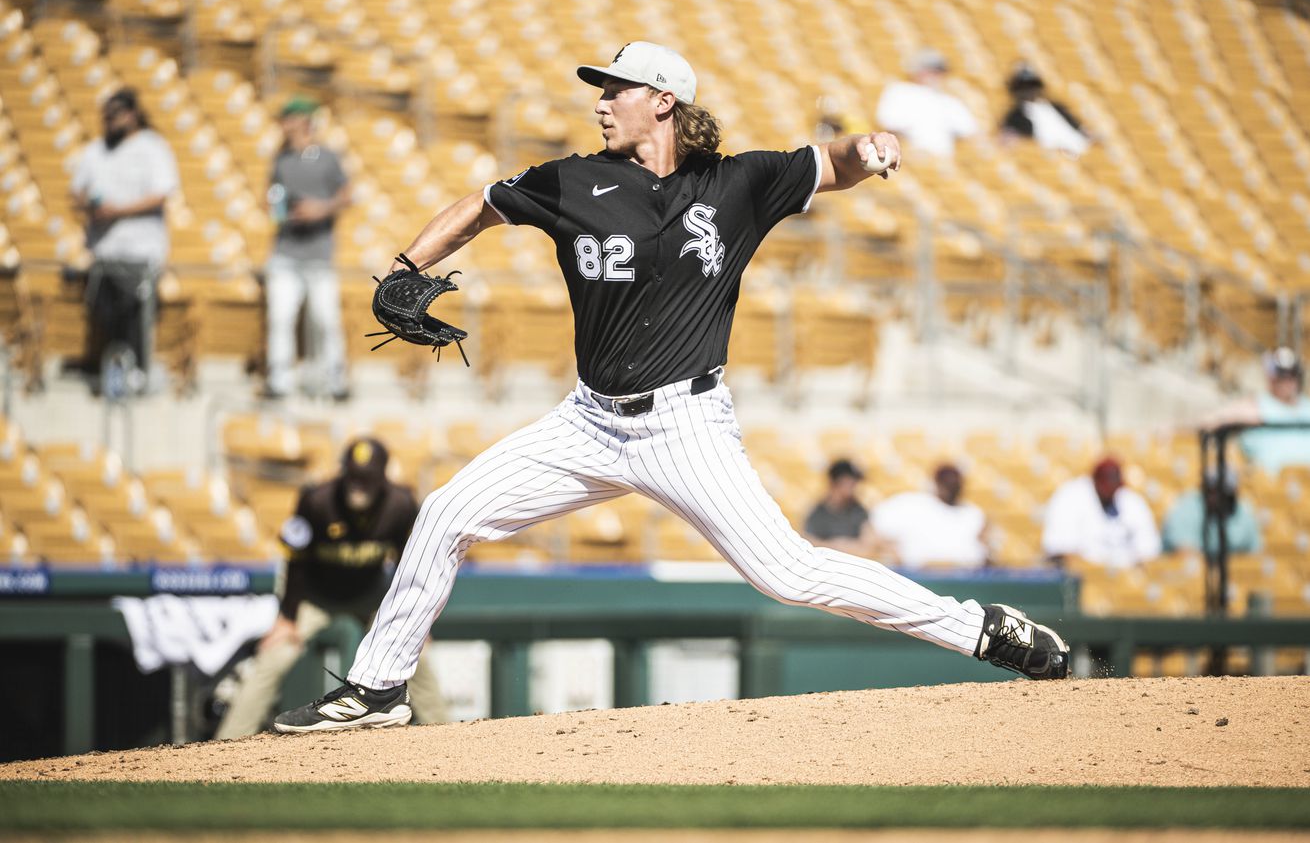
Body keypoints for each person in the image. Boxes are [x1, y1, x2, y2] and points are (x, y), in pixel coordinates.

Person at [273, 41, 1069, 733]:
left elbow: (836, 162)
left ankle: (981, 630)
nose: (601, 101)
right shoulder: (571, 180)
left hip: (683, 425)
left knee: (788, 573)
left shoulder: (738, 183)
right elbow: (478, 207)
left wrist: (873, 146)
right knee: (446, 511)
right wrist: (410, 265)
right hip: (585, 422)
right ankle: (378, 686)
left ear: (664, 101)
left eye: (614, 88)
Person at [215, 438, 446, 738]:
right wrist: (286, 618)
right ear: (343, 472)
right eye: (353, 476)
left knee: (417, 656)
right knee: (274, 656)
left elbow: (409, 562)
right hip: (315, 596)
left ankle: (443, 735)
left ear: (382, 478)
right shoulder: (317, 500)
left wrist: (414, 620)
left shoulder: (400, 503)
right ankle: (228, 741)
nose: (358, 485)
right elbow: (295, 560)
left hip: (370, 596)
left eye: (367, 479)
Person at [70, 88, 179, 395]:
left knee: (135, 317)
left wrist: (117, 210)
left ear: (132, 114)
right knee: (106, 318)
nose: (110, 120)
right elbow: (76, 191)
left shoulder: (153, 147)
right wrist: (92, 205)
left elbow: (161, 193)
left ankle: (136, 376)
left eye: (116, 114)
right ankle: (113, 377)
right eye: (106, 115)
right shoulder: (95, 149)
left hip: (139, 253)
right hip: (105, 250)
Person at [262, 97, 352, 400]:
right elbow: (271, 197)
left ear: (304, 121)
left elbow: (346, 196)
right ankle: (280, 381)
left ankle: (335, 381)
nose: (285, 125)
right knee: (280, 318)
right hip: (286, 250)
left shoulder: (327, 157)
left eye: (290, 118)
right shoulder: (281, 159)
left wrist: (321, 209)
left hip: (318, 252)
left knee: (326, 320)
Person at [1042, 458, 1161, 570]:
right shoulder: (1071, 497)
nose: (1111, 491)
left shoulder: (1130, 500)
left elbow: (1149, 553)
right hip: (1089, 580)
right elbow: (1062, 552)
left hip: (1124, 579)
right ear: (1095, 481)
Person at [1204, 348, 1310, 474]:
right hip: (1271, 487)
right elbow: (1209, 423)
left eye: (1291, 375)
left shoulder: (1306, 406)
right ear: (1271, 377)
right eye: (1281, 376)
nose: (1287, 382)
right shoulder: (1256, 405)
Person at [874, 463, 992, 569]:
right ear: (936, 483)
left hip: (964, 579)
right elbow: (876, 533)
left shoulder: (972, 513)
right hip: (918, 577)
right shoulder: (911, 504)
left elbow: (985, 551)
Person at [874, 49, 979, 159]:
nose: (936, 76)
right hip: (909, 157)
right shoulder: (899, 91)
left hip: (943, 161)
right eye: (932, 70)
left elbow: (969, 131)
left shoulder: (949, 100)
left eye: (939, 72)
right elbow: (888, 123)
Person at [1161, 468, 1262, 559]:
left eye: (1226, 494)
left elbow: (1255, 556)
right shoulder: (1187, 507)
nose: (1219, 498)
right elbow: (1182, 552)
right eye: (1214, 491)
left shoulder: (1242, 510)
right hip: (1188, 576)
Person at [999, 64, 1091, 157]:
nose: (1028, 92)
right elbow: (1007, 141)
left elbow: (1079, 132)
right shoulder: (1014, 117)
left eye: (1032, 87)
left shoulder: (1056, 108)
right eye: (1023, 88)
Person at [802, 459, 877, 557]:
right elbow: (807, 543)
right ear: (835, 483)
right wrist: (836, 546)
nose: (855, 487)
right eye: (850, 482)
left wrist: (837, 546)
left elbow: (868, 545)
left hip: (853, 565)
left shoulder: (859, 510)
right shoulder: (817, 512)